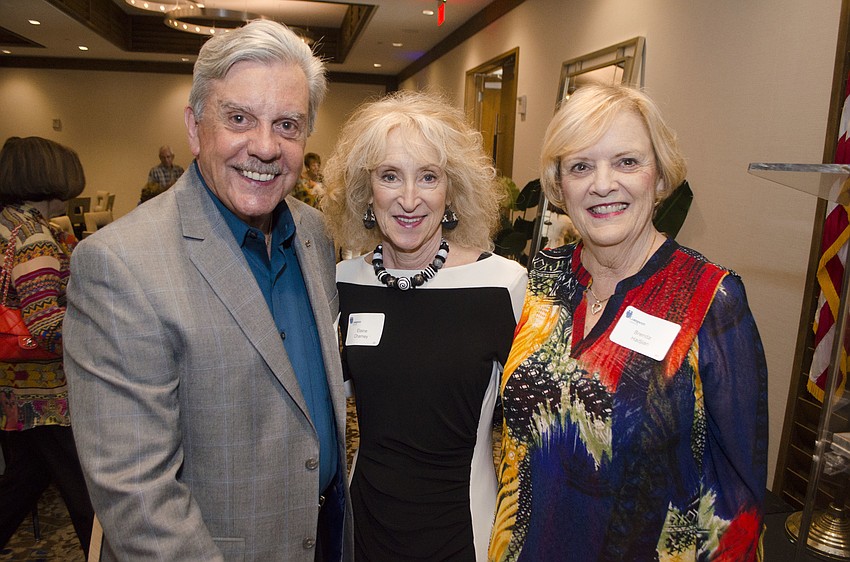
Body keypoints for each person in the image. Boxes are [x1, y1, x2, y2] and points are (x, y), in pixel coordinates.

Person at [63, 20, 352, 561]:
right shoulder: (120, 265)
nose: (264, 147)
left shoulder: (313, 232)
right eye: (239, 118)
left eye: (287, 125)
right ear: (195, 128)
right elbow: (139, 499)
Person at [489, 84, 767, 561]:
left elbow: (740, 496)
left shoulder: (711, 298)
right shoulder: (544, 276)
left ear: (659, 177)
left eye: (626, 162)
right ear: (559, 186)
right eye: (580, 166)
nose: (602, 184)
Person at [322, 90, 528, 561]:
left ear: (451, 190)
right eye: (390, 176)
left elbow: (533, 433)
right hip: (364, 530)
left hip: (461, 533)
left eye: (428, 177)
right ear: (365, 192)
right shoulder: (340, 284)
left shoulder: (502, 286)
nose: (409, 199)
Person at [0, 136, 94, 556]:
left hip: (14, 389)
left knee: (24, 483)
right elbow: (49, 326)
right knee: (88, 499)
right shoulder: (34, 237)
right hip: (45, 395)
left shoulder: (7, 223)